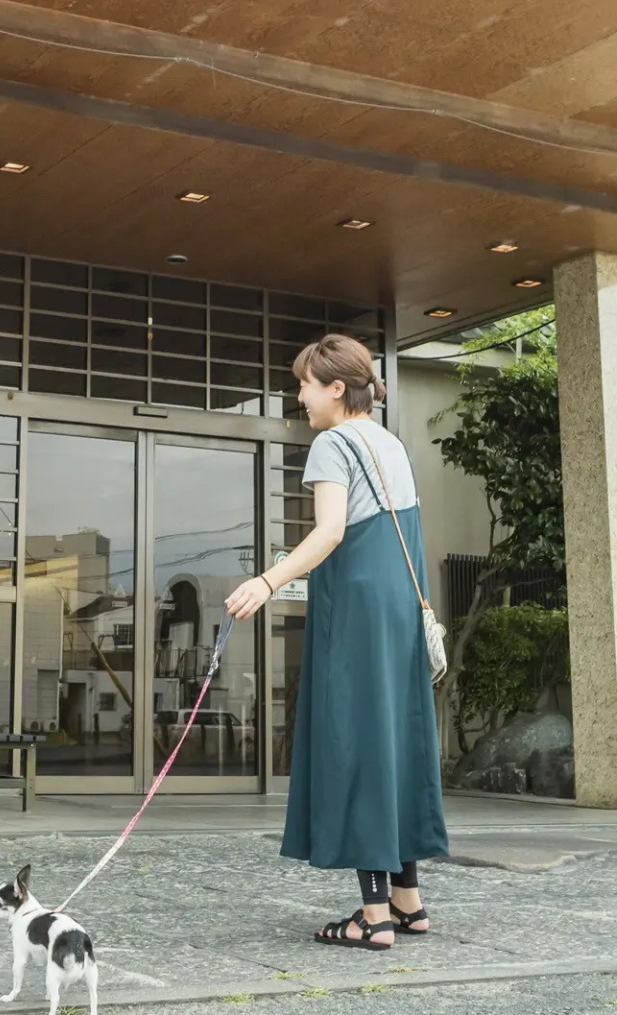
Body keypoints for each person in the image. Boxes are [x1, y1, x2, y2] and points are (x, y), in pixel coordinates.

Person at [226, 334, 449, 950]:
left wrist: (268, 580)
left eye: (303, 384)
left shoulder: (332, 442)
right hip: (399, 605)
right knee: (394, 740)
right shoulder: (392, 445)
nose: (298, 396)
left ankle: (372, 916)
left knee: (355, 742)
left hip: (354, 606)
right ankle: (408, 901)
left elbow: (328, 533)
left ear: (336, 388)